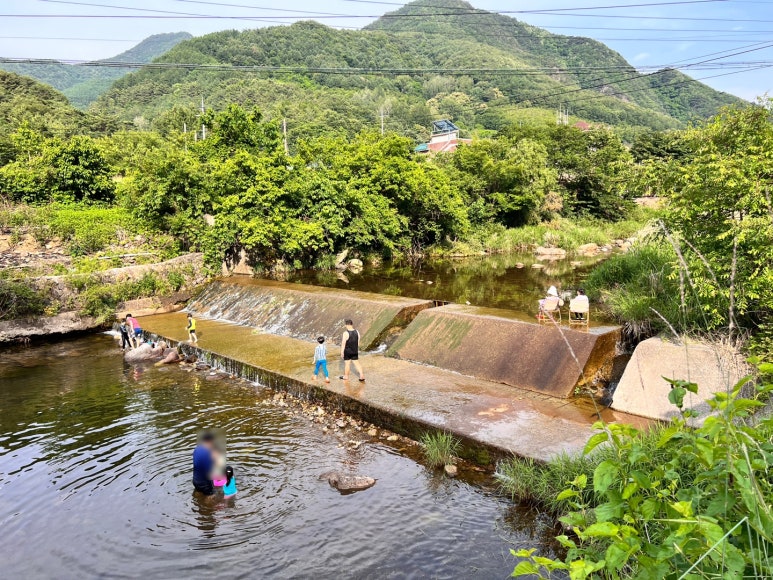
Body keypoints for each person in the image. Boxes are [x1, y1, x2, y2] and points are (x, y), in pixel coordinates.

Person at [192, 431, 216, 496]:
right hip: (204, 484)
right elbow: (209, 472)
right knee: (211, 497)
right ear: (210, 442)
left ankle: (196, 499)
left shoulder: (196, 449)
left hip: (195, 480)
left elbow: (199, 463)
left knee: (198, 493)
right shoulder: (207, 453)